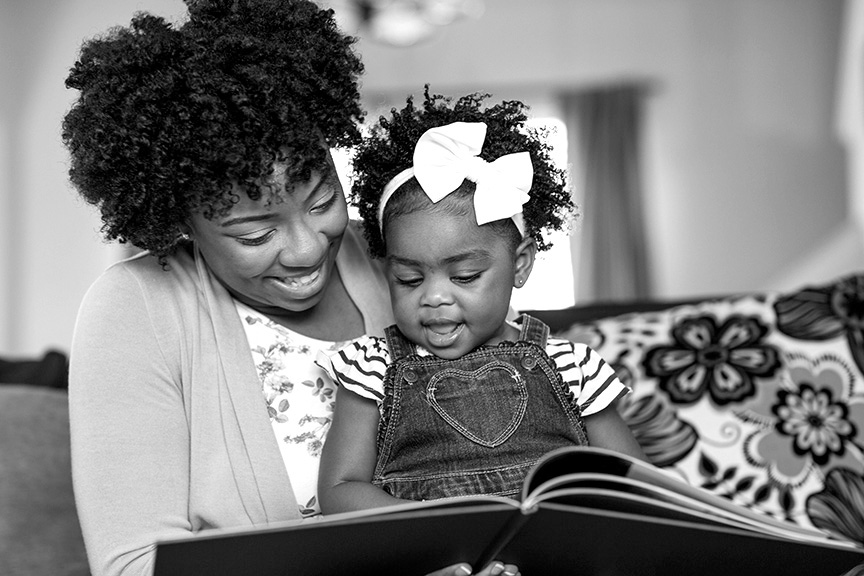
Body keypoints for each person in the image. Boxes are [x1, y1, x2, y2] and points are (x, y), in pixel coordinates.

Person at [62, 2, 515, 575]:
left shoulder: (402, 263)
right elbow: (133, 565)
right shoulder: (136, 307)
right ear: (181, 220)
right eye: (254, 233)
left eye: (322, 200)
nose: (307, 248)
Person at [317, 90, 646, 514]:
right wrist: (436, 532)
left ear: (520, 264)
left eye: (465, 276)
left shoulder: (572, 365)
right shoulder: (372, 366)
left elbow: (634, 486)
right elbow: (339, 490)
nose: (434, 296)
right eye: (409, 278)